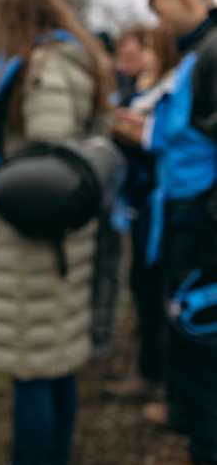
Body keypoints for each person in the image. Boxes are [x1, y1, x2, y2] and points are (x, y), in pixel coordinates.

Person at [0, 0, 113, 465]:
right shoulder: (74, 59)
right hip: (62, 240)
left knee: (34, 368)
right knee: (57, 362)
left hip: (36, 243)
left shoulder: (45, 66)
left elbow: (47, 163)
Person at [114, 0, 217, 465]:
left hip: (204, 227)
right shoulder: (197, 56)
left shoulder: (214, 53)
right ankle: (195, 426)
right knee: (187, 334)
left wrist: (208, 223)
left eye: (161, 10)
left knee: (204, 338)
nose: (160, 23)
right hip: (181, 216)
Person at [106, 25, 179, 402]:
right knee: (143, 287)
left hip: (159, 206)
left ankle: (160, 380)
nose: (142, 58)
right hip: (141, 204)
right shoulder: (143, 90)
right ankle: (150, 370)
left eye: (148, 49)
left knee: (156, 291)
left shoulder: (170, 90)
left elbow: (163, 144)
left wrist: (129, 133)